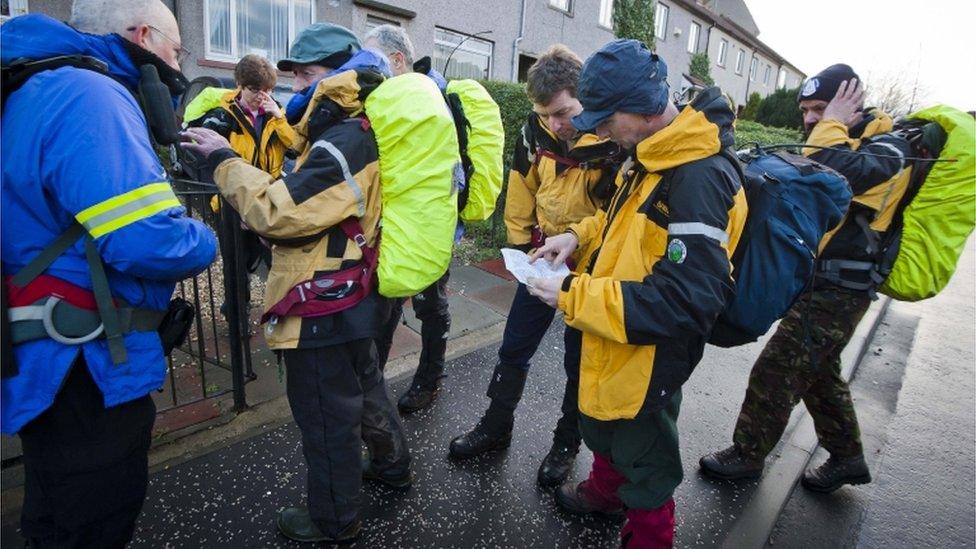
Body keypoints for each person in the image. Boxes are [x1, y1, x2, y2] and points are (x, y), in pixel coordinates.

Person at [181, 23, 410, 544]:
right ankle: (393, 465)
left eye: (306, 74)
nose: (297, 88)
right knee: (366, 387)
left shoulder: (346, 135)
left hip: (320, 301)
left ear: (336, 71)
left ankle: (334, 522)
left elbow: (279, 212)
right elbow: (310, 200)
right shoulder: (361, 126)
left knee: (328, 418)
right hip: (354, 289)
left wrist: (223, 161)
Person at [0, 1, 218, 546]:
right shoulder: (90, 96)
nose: (177, 62)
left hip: (42, 355)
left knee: (52, 510)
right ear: (144, 36)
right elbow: (144, 240)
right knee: (93, 520)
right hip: (85, 363)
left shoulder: (36, 88)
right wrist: (206, 237)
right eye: (175, 49)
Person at [527, 39, 747, 547]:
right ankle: (606, 489)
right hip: (609, 326)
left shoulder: (700, 177)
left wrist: (573, 295)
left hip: (648, 352)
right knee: (604, 422)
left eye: (605, 119)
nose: (598, 130)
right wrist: (575, 237)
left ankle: (649, 534)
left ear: (645, 108)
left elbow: (686, 302)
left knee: (646, 453)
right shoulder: (649, 155)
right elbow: (618, 221)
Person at [699, 64, 913, 493]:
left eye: (822, 108)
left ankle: (746, 455)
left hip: (844, 286)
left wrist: (831, 122)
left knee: (777, 369)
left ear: (851, 100)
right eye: (808, 110)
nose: (812, 119)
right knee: (816, 371)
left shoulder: (891, 146)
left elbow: (828, 169)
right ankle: (848, 456)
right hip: (818, 280)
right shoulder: (842, 137)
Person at [447, 44, 622, 490]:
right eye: (546, 115)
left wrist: (581, 242)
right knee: (514, 345)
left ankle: (566, 444)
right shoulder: (535, 130)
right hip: (542, 259)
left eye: (562, 113)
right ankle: (496, 425)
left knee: (579, 362)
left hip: (591, 267)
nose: (555, 126)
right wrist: (521, 247)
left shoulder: (613, 138)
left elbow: (619, 214)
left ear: (584, 97)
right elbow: (521, 186)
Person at [362, 24, 454, 414]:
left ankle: (428, 382)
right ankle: (372, 387)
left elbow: (453, 172)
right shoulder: (392, 98)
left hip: (428, 230)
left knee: (430, 309)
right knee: (386, 310)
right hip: (393, 227)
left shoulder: (436, 99)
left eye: (375, 60)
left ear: (398, 60)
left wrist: (446, 231)